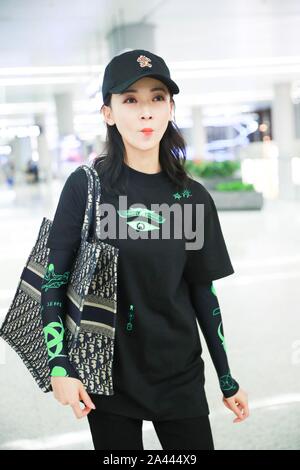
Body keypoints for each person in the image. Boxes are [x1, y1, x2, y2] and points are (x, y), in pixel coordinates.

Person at [41, 49, 249, 450]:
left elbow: (201, 292)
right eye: (130, 100)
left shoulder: (191, 198)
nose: (146, 112)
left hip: (179, 372)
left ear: (171, 108)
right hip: (106, 371)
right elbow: (54, 281)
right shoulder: (87, 187)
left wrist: (226, 377)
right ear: (108, 113)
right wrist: (59, 365)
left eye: (157, 98)